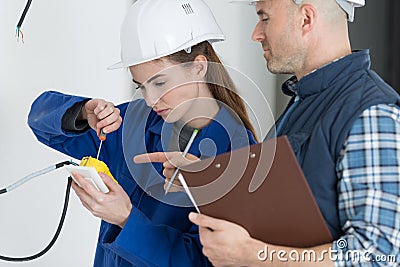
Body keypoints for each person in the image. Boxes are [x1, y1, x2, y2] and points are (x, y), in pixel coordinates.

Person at [138, 0, 400, 266]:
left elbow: (376, 252)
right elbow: (284, 215)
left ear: (306, 19)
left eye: (264, 18)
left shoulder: (370, 112)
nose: (256, 34)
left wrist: (251, 255)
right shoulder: (304, 103)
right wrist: (207, 177)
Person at [27, 0, 258, 266]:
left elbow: (205, 261)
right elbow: (39, 121)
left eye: (160, 83)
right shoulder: (132, 123)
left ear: (199, 66)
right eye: (141, 86)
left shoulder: (238, 154)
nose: (150, 100)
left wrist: (125, 218)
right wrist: (81, 112)